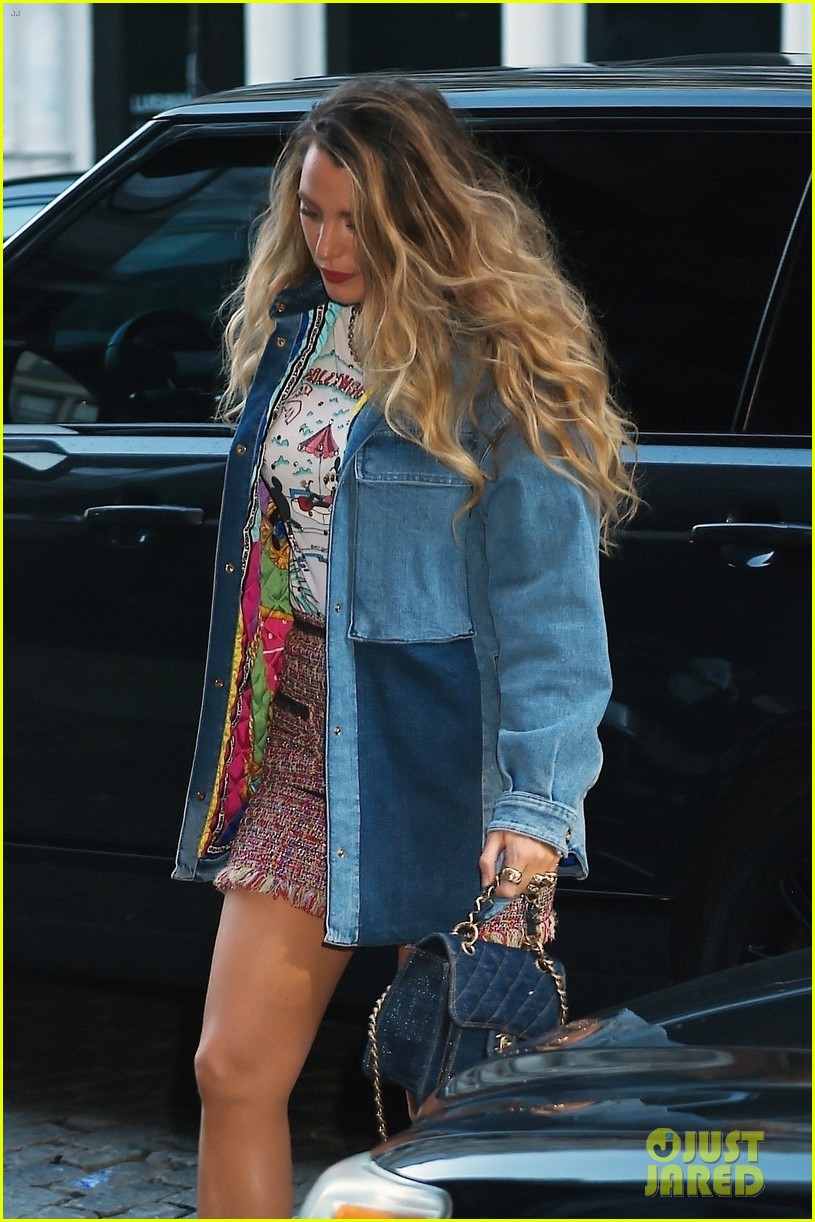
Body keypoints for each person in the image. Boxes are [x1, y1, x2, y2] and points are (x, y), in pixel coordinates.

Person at [172, 75, 636, 1219]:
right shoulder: (298, 336)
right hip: (299, 732)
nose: (327, 243)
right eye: (311, 213)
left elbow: (551, 612)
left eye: (354, 221)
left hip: (443, 751)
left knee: (441, 1101)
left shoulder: (499, 370)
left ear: (418, 216)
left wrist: (533, 811)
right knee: (230, 1067)